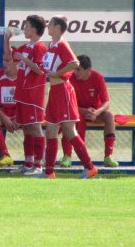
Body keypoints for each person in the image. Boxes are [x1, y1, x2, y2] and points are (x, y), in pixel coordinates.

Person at [40, 16, 98, 179]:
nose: (48, 27)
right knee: (50, 132)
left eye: (50, 24)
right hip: (54, 92)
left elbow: (74, 63)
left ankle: (90, 167)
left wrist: (57, 73)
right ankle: (49, 172)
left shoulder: (62, 44)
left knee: (69, 131)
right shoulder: (51, 46)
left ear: (58, 27)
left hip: (64, 92)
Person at [5, 15, 47, 176]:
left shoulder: (39, 47)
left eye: (27, 26)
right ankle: (28, 163)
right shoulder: (27, 46)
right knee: (27, 129)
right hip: (22, 94)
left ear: (34, 29)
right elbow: (10, 55)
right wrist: (7, 40)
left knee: (35, 128)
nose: (24, 29)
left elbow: (40, 70)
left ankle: (38, 164)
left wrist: (24, 59)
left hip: (33, 96)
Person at [59, 54, 119, 167]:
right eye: (74, 69)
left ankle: (108, 156)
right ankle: (67, 156)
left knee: (110, 116)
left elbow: (106, 102)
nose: (75, 72)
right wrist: (81, 110)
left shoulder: (97, 78)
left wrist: (96, 112)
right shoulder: (70, 78)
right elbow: (64, 102)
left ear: (88, 70)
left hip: (93, 113)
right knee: (67, 119)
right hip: (74, 112)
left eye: (78, 70)